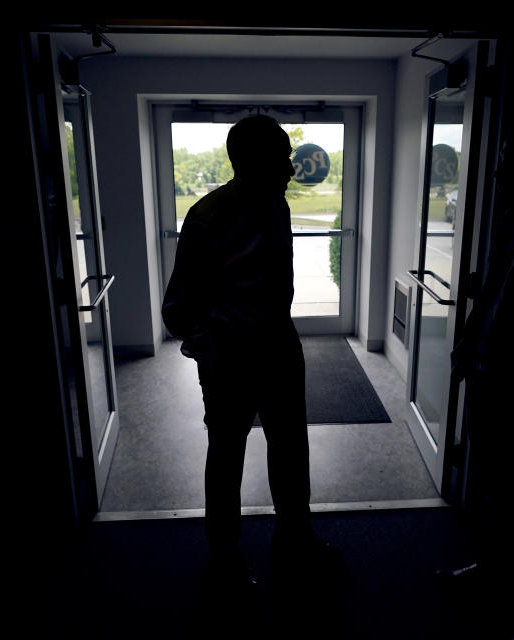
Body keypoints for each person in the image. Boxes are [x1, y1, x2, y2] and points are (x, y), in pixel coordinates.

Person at [161, 114, 343, 593]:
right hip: (231, 361)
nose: (290, 167)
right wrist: (211, 353)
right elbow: (178, 308)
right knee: (226, 459)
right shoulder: (207, 218)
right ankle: (225, 559)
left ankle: (295, 542)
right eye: (282, 158)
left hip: (280, 351)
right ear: (251, 161)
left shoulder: (275, 205)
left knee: (290, 453)